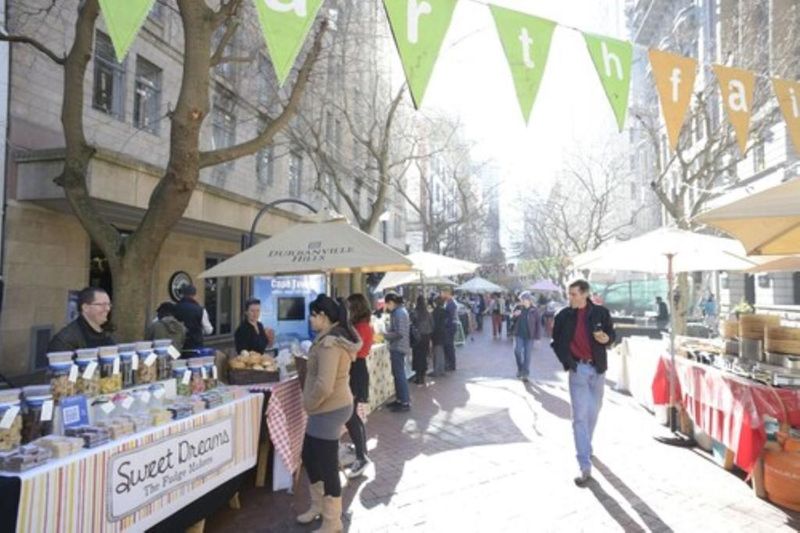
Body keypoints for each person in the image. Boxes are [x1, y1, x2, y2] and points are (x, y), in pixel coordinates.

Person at [296, 294, 361, 531]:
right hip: (328, 407)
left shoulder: (329, 344)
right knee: (310, 456)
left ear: (323, 316)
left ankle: (332, 521)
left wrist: (309, 404)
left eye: (313, 315)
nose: (310, 319)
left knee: (326, 464)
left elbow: (324, 385)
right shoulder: (330, 338)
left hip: (329, 409)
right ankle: (319, 506)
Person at [551, 279, 616, 488]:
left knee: (593, 413)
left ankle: (586, 446)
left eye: (574, 294)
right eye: (569, 294)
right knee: (579, 417)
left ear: (585, 294)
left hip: (598, 370)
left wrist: (606, 339)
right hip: (578, 370)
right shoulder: (563, 315)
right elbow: (556, 342)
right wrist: (568, 363)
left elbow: (612, 335)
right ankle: (584, 464)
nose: (570, 297)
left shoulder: (601, 313)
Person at [344, 293, 373, 479]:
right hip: (357, 370)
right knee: (352, 414)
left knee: (350, 415)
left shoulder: (360, 327)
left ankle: (361, 456)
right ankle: (362, 451)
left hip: (355, 370)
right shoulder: (363, 325)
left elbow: (354, 351)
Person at [48, 287, 115, 351]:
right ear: (85, 308)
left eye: (109, 304)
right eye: (102, 305)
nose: (108, 309)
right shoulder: (64, 341)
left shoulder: (106, 333)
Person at [383, 292, 411, 412]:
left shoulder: (399, 313)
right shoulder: (398, 312)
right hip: (398, 346)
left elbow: (400, 333)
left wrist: (385, 335)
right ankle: (400, 399)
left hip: (398, 347)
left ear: (391, 302)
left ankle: (404, 401)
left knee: (399, 375)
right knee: (398, 374)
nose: (386, 307)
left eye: (387, 304)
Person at [511, 291, 542, 382]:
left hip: (529, 336)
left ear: (528, 300)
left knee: (527, 355)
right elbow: (511, 318)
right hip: (519, 334)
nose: (521, 301)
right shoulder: (518, 307)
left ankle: (525, 373)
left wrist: (538, 338)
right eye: (521, 299)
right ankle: (520, 369)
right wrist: (514, 315)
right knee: (517, 351)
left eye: (523, 299)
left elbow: (538, 324)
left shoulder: (534, 310)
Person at [173, 285, 213, 350]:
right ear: (195, 295)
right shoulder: (200, 310)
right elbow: (208, 330)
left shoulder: (174, 308)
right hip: (195, 345)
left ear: (182, 294)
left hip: (178, 345)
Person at [410, 295, 433, 386]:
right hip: (426, 337)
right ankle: (422, 376)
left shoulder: (414, 312)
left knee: (417, 356)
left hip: (417, 337)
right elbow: (432, 325)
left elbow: (411, 324)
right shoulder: (428, 313)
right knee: (424, 356)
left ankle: (418, 376)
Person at [442, 288, 458, 371]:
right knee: (449, 346)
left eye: (444, 293)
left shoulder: (451, 304)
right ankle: (450, 363)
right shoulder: (449, 303)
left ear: (448, 293)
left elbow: (449, 317)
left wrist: (444, 324)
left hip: (450, 327)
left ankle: (451, 364)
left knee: (449, 346)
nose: (443, 294)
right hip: (450, 326)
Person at [430, 297, 447, 377]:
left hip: (437, 334)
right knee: (441, 352)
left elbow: (434, 324)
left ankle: (437, 371)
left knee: (437, 352)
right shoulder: (444, 311)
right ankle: (441, 369)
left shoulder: (435, 312)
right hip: (443, 334)